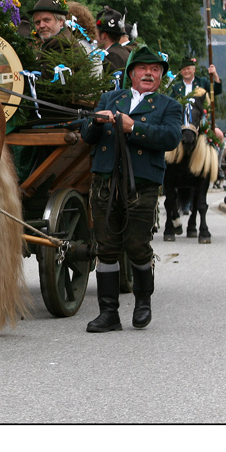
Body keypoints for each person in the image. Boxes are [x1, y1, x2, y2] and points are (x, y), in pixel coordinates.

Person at [80, 45, 182, 333]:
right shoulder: (111, 98)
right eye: (143, 69)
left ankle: (142, 304)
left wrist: (133, 127)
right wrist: (95, 122)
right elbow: (87, 135)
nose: (149, 73)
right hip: (105, 183)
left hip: (142, 184)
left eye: (155, 70)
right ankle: (108, 313)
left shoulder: (168, 106)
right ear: (132, 73)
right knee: (106, 247)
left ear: (160, 76)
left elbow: (172, 137)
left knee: (138, 246)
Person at [29, 0, 85, 82]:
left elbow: (47, 82)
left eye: (47, 20)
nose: (41, 26)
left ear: (61, 22)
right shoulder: (57, 40)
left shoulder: (61, 43)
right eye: (37, 22)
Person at [94, 7, 132, 73]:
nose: (94, 37)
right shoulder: (124, 52)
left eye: (96, 33)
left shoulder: (110, 56)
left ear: (103, 35)